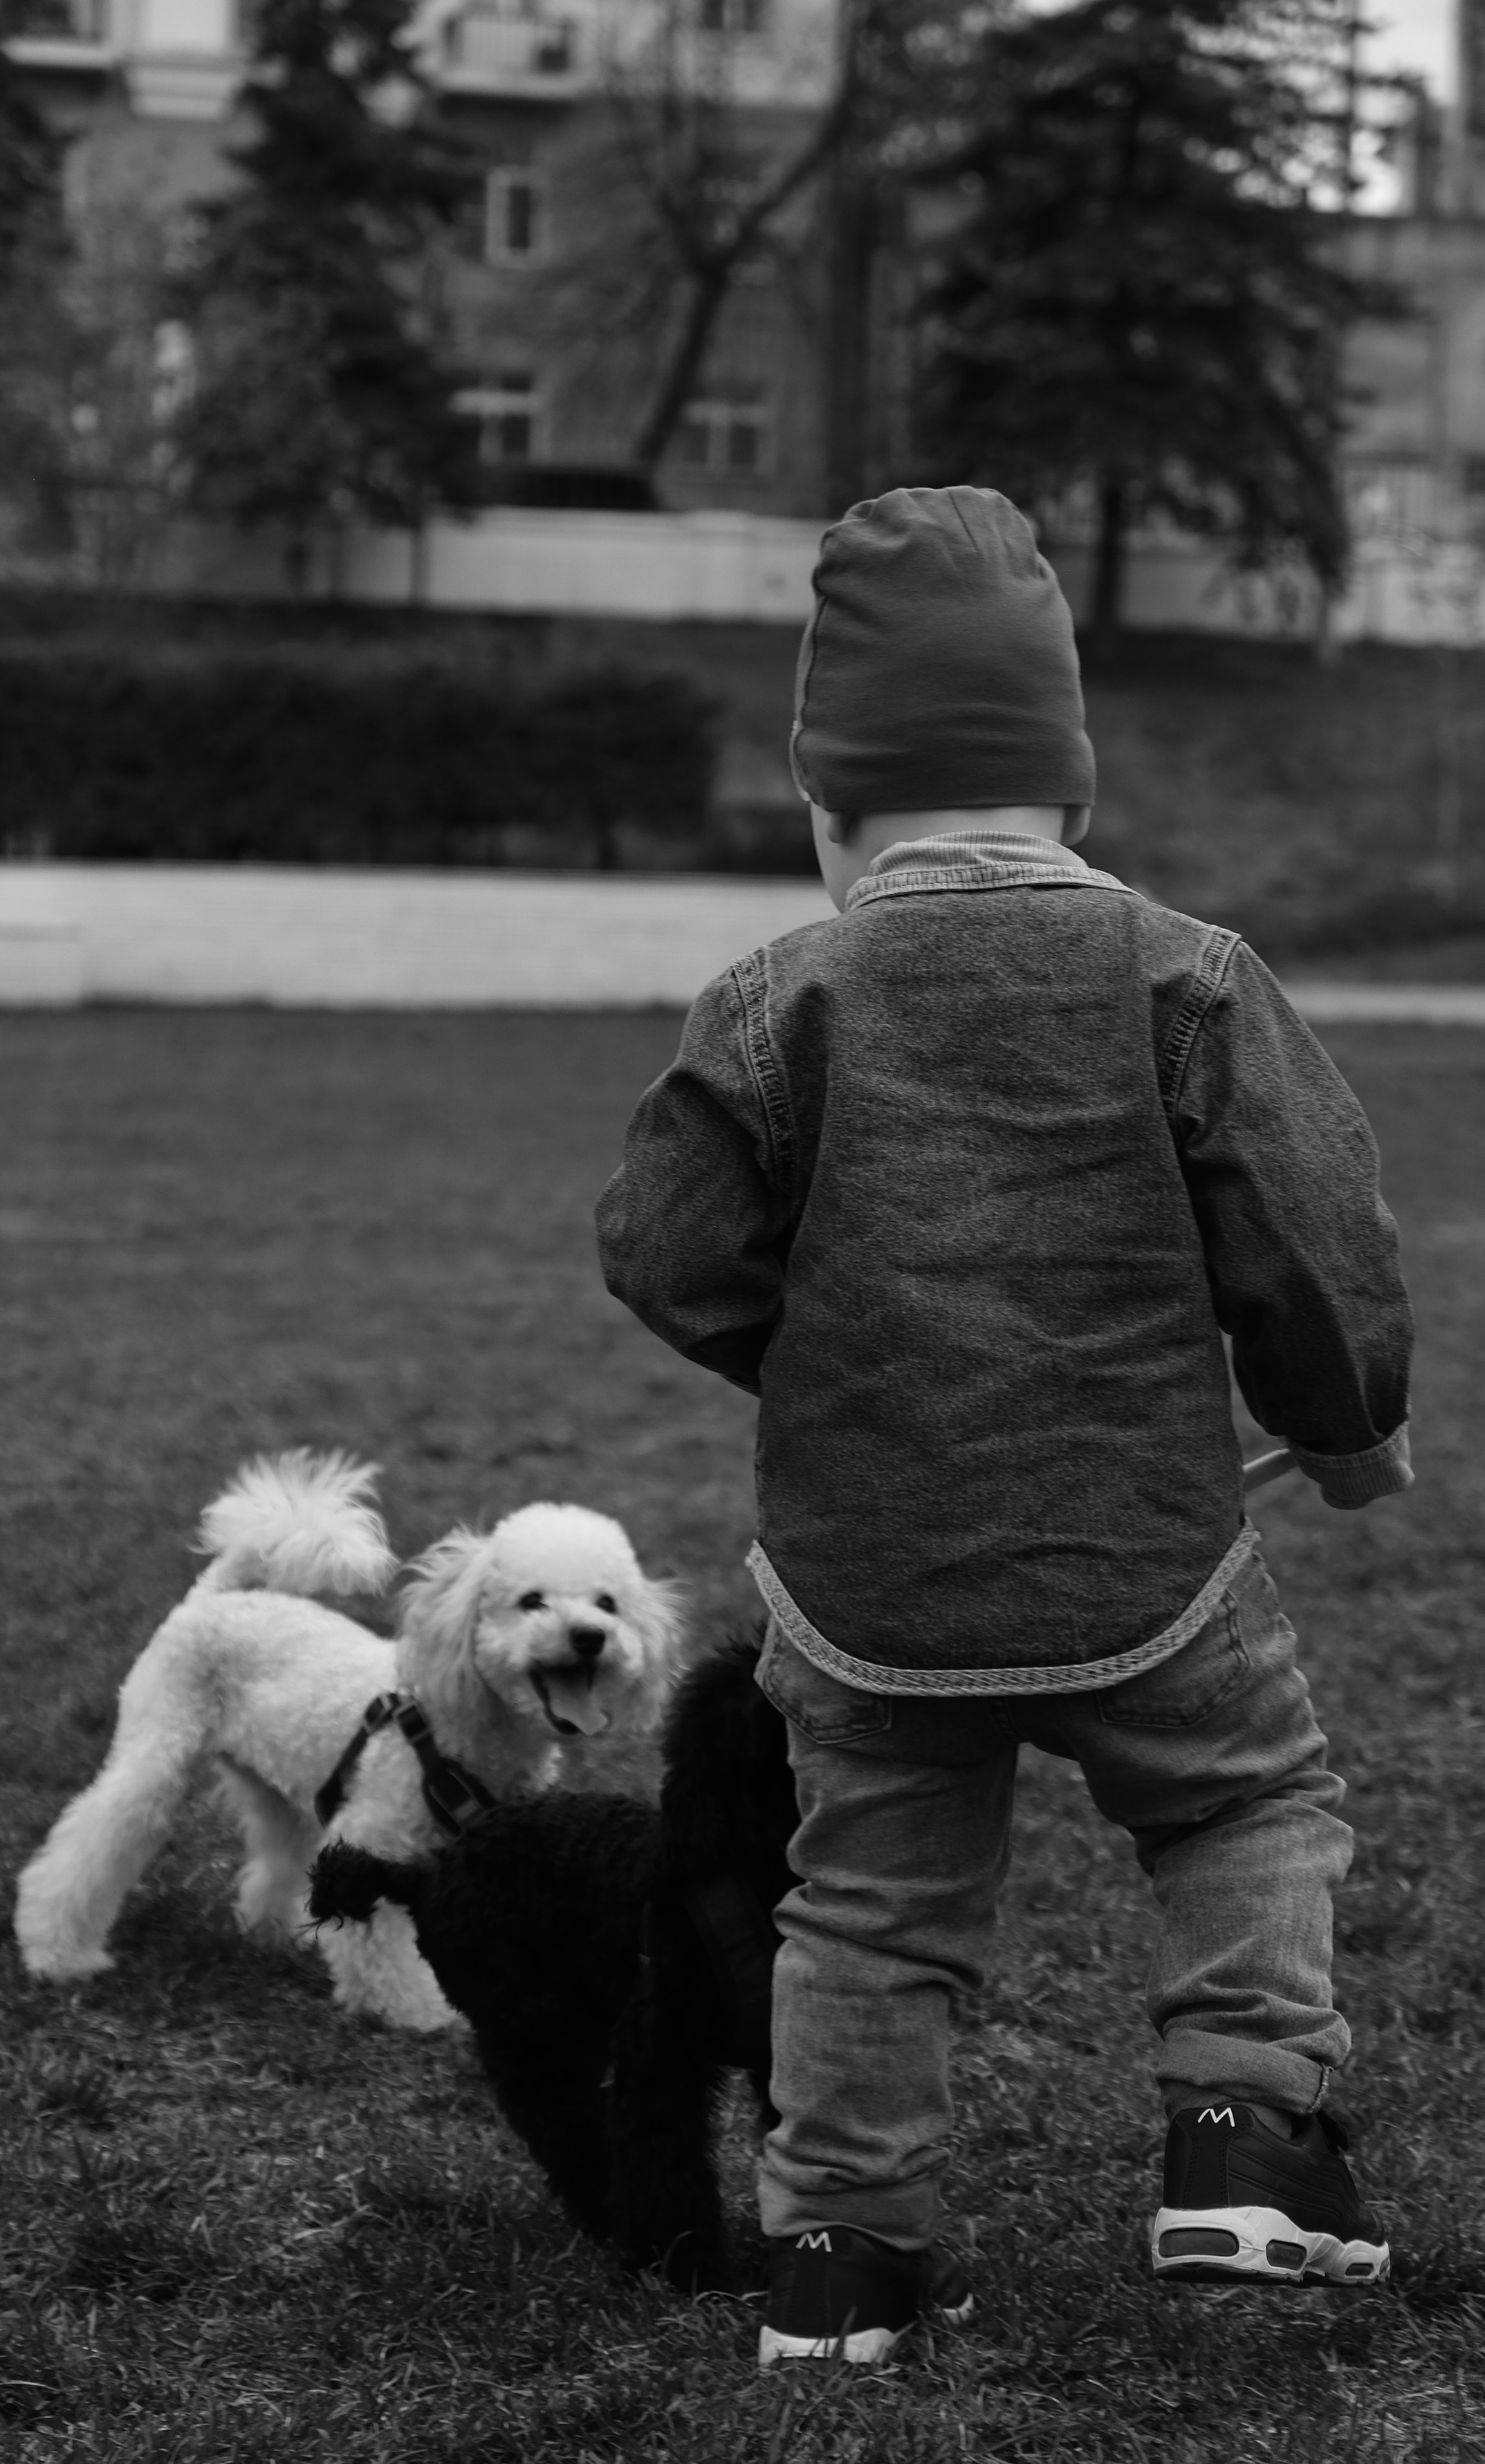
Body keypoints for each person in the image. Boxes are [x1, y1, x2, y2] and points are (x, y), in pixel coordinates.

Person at [595, 486, 1413, 2366]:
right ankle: (1244, 2141)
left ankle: (840, 2263)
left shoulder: (778, 998)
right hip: (1146, 1550)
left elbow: (663, 1245)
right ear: (1071, 786)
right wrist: (1344, 1428)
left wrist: (820, 1357)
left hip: (869, 1574)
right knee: (1239, 1800)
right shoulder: (1183, 974)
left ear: (830, 805)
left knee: (869, 1899)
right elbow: (1313, 1237)